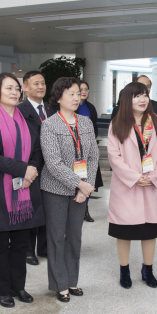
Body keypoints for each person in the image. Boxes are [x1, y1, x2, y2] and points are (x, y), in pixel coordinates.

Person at [0, 73, 44, 308]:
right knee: (1, 242)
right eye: (8, 88)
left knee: (22, 242)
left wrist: (32, 170)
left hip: (25, 189)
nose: (14, 92)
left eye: (16, 88)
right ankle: (2, 289)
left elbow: (37, 149)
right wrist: (24, 169)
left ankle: (18, 286)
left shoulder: (28, 118)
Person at [39, 76, 99, 302]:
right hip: (55, 189)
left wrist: (86, 187)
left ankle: (72, 280)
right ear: (58, 97)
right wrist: (80, 184)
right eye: (71, 94)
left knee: (75, 237)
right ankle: (59, 284)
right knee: (56, 237)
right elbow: (53, 163)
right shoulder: (49, 124)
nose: (76, 97)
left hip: (81, 190)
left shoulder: (86, 123)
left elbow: (92, 157)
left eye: (78, 93)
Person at [107, 82, 157, 289]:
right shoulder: (118, 123)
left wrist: (153, 176)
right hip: (127, 187)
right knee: (124, 231)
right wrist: (134, 177)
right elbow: (114, 156)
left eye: (145, 95)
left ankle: (147, 270)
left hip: (150, 184)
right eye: (137, 96)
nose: (143, 100)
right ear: (127, 99)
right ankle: (124, 270)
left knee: (150, 231)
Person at [18, 70, 53, 266]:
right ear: (25, 87)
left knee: (48, 207)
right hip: (31, 166)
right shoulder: (19, 111)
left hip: (51, 168)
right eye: (36, 83)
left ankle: (45, 246)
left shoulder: (51, 109)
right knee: (30, 207)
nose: (40, 87)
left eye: (43, 83)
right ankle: (28, 249)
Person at [77, 80, 103, 222]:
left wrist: (93, 135)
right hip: (75, 152)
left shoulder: (90, 107)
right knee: (78, 181)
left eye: (86, 89)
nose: (84, 92)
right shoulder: (72, 106)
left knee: (90, 180)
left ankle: (85, 209)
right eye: (81, 89)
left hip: (88, 152)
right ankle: (76, 210)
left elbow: (95, 127)